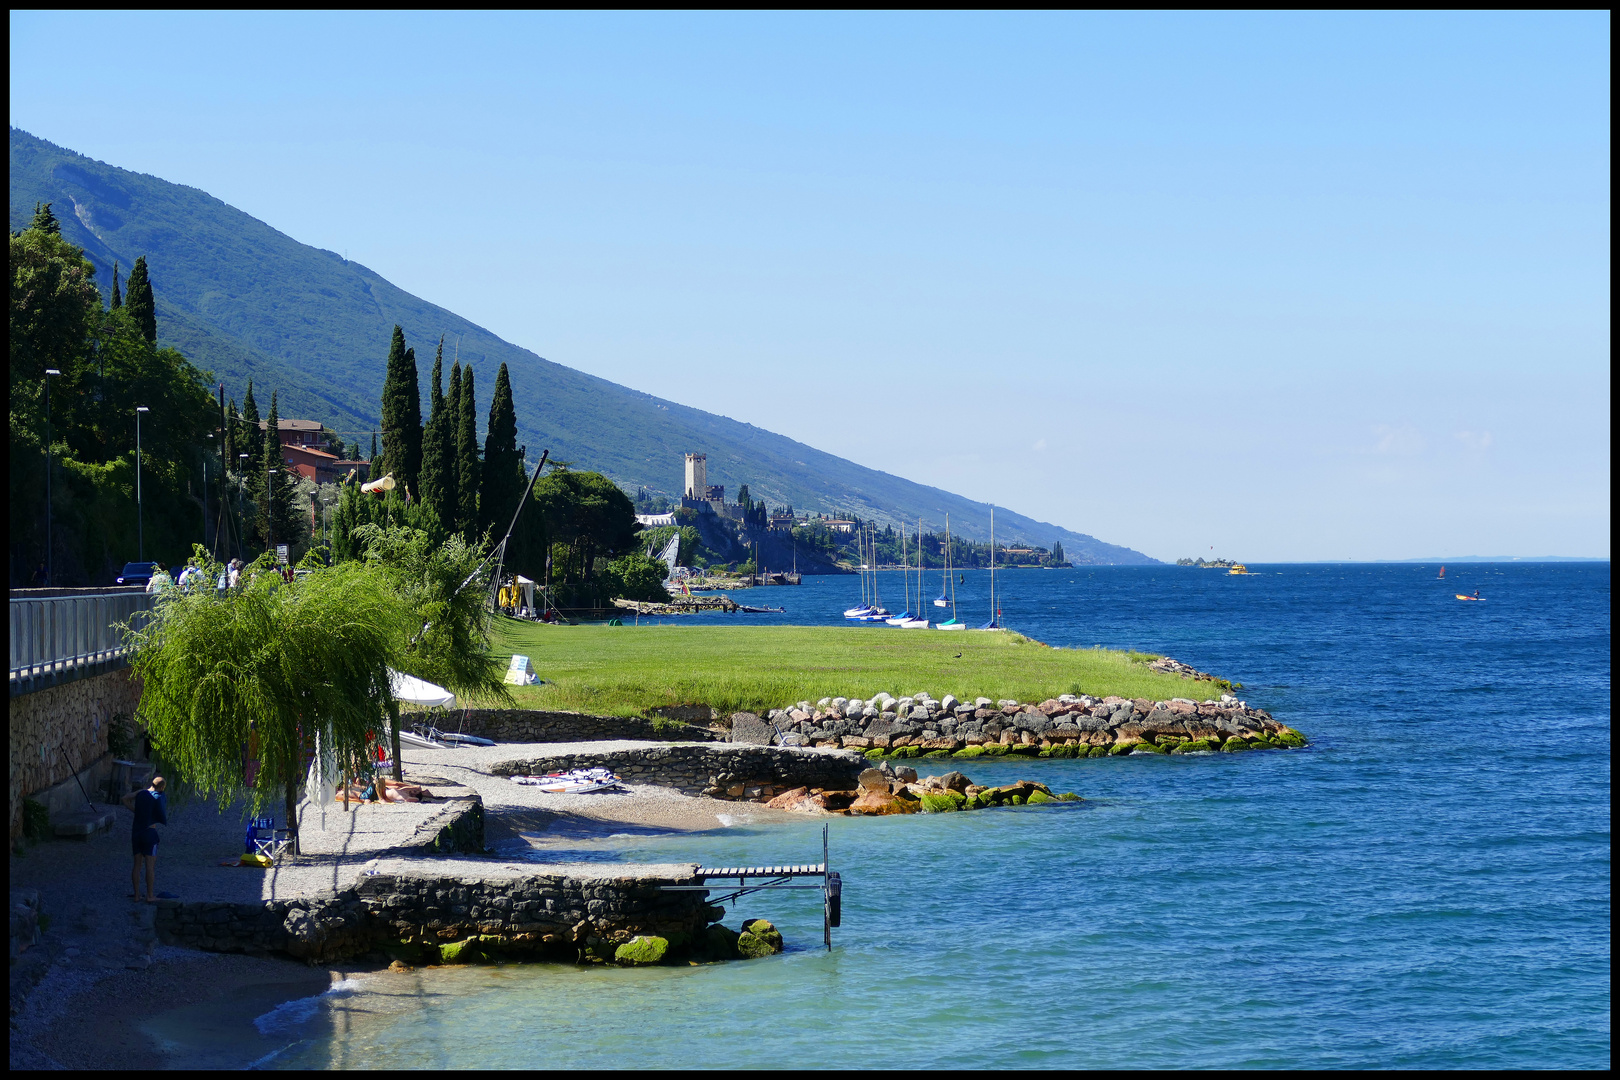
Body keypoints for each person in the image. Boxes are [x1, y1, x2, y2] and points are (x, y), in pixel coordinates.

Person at [121, 776, 168, 903]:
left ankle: (136, 896)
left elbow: (125, 799)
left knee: (136, 865)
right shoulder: (159, 796)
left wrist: (136, 811)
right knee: (150, 865)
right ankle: (150, 895)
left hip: (136, 832)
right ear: (162, 787)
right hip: (149, 832)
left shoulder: (141, 793)